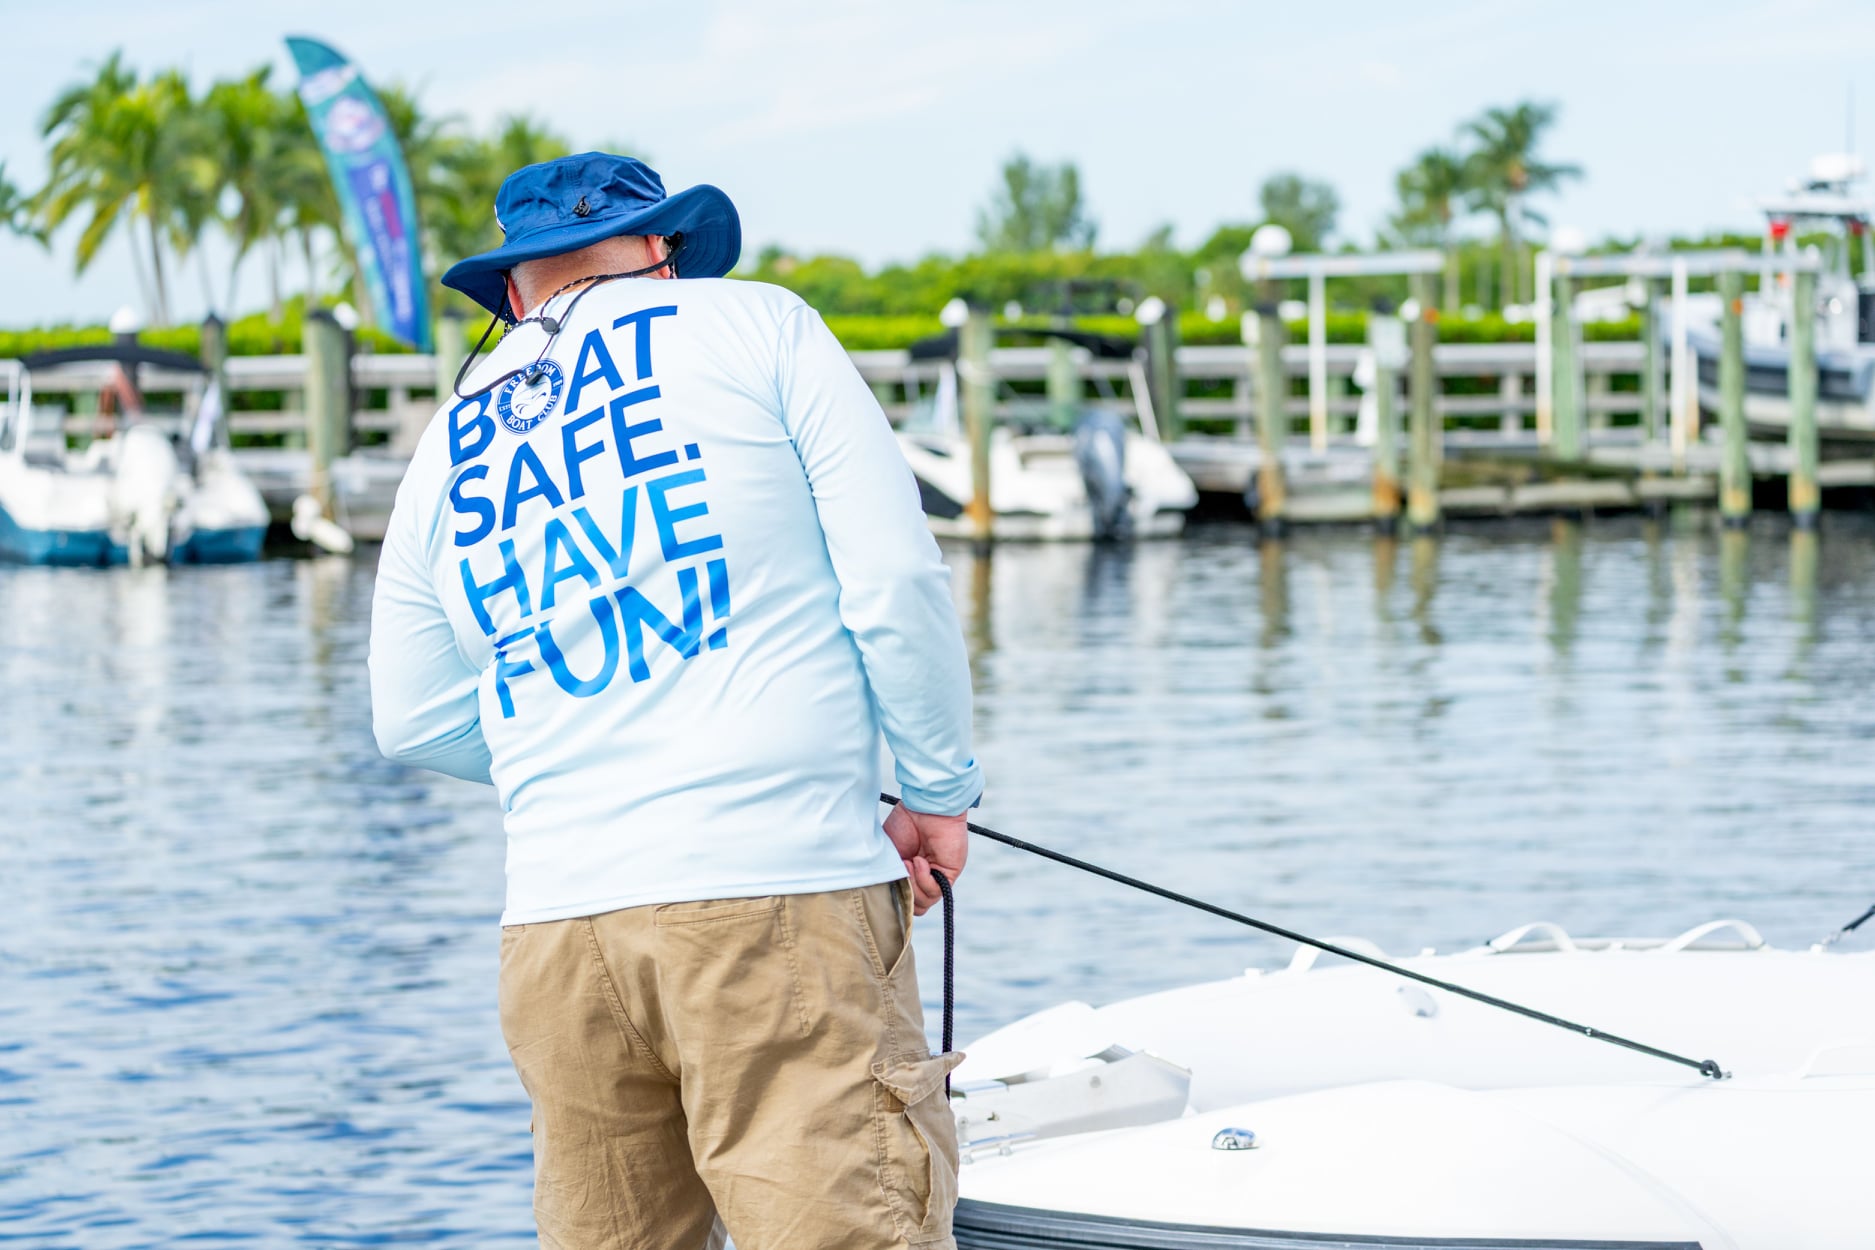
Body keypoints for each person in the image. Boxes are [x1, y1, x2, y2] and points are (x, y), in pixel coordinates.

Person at [369, 151, 982, 1250]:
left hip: (556, 934)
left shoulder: (449, 434)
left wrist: (589, 747)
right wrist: (935, 792)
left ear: (515, 291)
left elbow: (410, 715)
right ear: (661, 250)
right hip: (777, 896)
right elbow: (893, 582)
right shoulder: (761, 326)